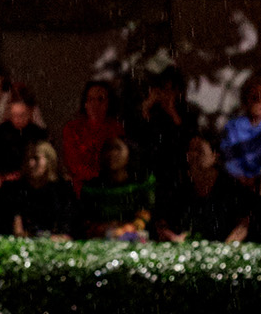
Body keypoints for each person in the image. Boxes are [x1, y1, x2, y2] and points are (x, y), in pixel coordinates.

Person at [0, 86, 50, 235]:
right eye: (14, 115)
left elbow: (46, 168)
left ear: (31, 112)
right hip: (0, 191)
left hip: (31, 190)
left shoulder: (39, 136)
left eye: (22, 115)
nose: (17, 119)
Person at [156, 133, 252, 244]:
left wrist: (227, 246)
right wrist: (174, 239)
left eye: (199, 150)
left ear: (215, 156)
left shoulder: (232, 188)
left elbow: (243, 225)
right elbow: (161, 223)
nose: (193, 155)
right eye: (190, 150)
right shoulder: (177, 186)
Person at [135, 65, 197, 202]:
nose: (166, 94)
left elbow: (189, 140)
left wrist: (172, 113)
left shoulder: (188, 112)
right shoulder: (151, 112)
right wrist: (145, 109)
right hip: (151, 171)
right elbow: (138, 138)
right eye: (164, 89)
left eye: (171, 90)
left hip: (178, 171)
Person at [81, 135, 154, 239]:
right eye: (108, 149)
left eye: (117, 148)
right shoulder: (91, 188)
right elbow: (87, 220)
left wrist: (130, 228)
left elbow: (146, 213)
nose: (112, 154)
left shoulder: (142, 183)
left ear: (129, 152)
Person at [61, 78, 124, 195]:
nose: (95, 104)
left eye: (100, 99)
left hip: (111, 189)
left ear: (108, 103)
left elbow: (118, 163)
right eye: (90, 99)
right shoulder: (73, 129)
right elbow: (74, 164)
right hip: (82, 190)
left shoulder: (116, 128)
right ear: (85, 103)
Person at [9, 140, 75, 238]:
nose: (30, 163)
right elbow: (18, 231)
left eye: (36, 158)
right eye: (28, 159)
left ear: (49, 161)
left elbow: (67, 233)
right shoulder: (19, 189)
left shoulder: (62, 190)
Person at [219, 76, 261, 193]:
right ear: (245, 101)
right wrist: (241, 176)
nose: (258, 102)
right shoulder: (233, 126)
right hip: (237, 182)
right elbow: (228, 157)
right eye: (254, 97)